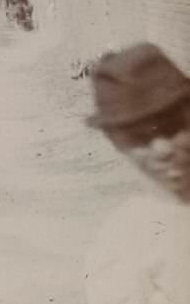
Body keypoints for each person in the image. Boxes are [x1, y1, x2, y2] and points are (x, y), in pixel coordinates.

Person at [84, 43, 190, 303]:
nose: (162, 148)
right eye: (139, 138)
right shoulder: (126, 242)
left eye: (171, 127)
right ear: (117, 143)